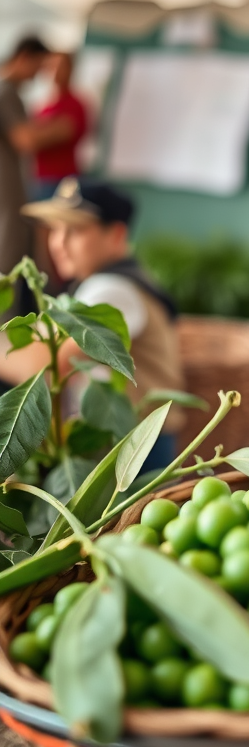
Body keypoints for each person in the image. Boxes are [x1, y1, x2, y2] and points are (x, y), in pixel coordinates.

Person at [0, 178, 185, 472]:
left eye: (74, 230)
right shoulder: (97, 286)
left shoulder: (113, 289)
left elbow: (46, 364)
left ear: (116, 235)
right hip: (126, 442)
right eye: (55, 230)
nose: (58, 242)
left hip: (135, 450)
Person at [0, 35, 49, 291]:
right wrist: (61, 128)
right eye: (38, 66)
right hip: (7, 191)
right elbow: (25, 139)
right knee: (9, 262)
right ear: (23, 57)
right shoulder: (6, 91)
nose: (38, 75)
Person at [30, 52, 89, 201]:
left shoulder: (76, 104)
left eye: (60, 66)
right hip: (39, 179)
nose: (55, 71)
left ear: (70, 69)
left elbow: (33, 139)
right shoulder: (42, 106)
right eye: (52, 66)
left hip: (64, 179)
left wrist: (37, 134)